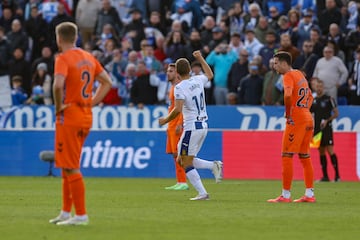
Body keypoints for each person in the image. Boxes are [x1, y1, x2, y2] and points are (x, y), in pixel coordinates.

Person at [49, 22, 112, 225]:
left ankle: (81, 215)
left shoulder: (63, 58)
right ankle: (66, 212)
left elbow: (58, 85)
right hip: (85, 115)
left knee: (71, 167)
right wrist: (91, 103)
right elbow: (107, 82)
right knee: (67, 165)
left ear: (59, 39)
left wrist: (59, 106)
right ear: (75, 37)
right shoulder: (88, 57)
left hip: (70, 115)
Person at [158, 50, 223, 201]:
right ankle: (214, 166)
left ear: (178, 74)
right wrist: (200, 58)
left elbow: (178, 109)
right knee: (182, 159)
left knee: (184, 161)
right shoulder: (198, 80)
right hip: (203, 126)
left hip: (191, 127)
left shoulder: (180, 88)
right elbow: (210, 75)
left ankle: (203, 193)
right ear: (189, 70)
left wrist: (165, 120)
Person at [268, 51, 315, 203]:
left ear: (283, 63)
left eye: (276, 63)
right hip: (308, 118)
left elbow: (288, 95)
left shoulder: (287, 75)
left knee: (286, 156)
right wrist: (304, 110)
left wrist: (289, 114)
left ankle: (285, 195)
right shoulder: (300, 74)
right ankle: (309, 194)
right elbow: (310, 97)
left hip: (297, 120)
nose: (274, 66)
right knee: (304, 156)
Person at [164, 63, 189, 190]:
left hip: (177, 125)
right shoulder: (172, 87)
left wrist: (180, 123)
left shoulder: (179, 88)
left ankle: (183, 182)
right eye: (168, 71)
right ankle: (180, 181)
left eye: (171, 71)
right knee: (174, 154)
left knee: (179, 154)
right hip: (171, 125)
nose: (168, 73)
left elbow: (182, 108)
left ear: (177, 73)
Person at [310, 79, 340, 182]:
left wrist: (327, 120)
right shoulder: (313, 100)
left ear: (323, 88)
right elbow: (310, 114)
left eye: (320, 86)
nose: (319, 88)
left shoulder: (329, 99)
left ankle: (337, 176)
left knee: (330, 150)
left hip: (327, 128)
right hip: (317, 129)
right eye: (317, 86)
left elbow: (336, 113)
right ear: (315, 87)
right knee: (321, 152)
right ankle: (325, 177)